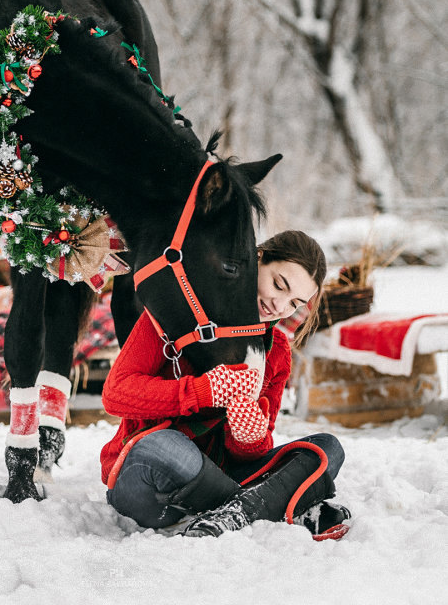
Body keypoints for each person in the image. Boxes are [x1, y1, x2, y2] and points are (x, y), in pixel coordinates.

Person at [100, 230, 351, 540]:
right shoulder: (174, 310)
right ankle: (277, 506)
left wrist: (250, 435)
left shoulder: (276, 351)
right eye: (279, 284)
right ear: (257, 258)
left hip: (224, 474)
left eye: (295, 302)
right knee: (164, 448)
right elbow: (116, 393)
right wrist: (203, 391)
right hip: (152, 483)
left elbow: (253, 455)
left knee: (327, 448)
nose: (280, 305)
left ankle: (236, 513)